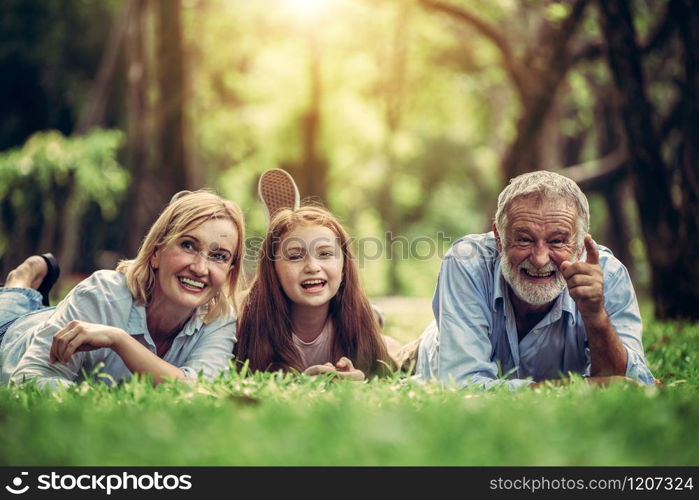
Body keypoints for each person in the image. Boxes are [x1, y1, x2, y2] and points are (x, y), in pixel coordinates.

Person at [415, 170, 656, 389]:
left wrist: (596, 316)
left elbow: (630, 386)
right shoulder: (467, 261)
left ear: (581, 244)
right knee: (394, 358)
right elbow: (463, 386)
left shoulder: (608, 275)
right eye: (524, 239)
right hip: (435, 350)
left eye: (557, 241)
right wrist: (584, 388)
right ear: (499, 239)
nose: (540, 259)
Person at [0, 190, 245, 388]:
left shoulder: (219, 319)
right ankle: (21, 281)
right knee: (10, 310)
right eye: (188, 245)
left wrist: (119, 340)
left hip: (62, 317)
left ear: (229, 273)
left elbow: (202, 391)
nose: (201, 268)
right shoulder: (103, 293)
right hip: (16, 333)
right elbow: (30, 377)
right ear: (156, 254)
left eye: (219, 256)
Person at [234, 205, 395, 380]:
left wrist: (360, 377)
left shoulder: (358, 321)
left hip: (375, 327)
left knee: (393, 347)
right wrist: (303, 380)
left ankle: (377, 314)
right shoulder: (248, 324)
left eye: (325, 254)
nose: (312, 267)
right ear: (273, 271)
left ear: (344, 268)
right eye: (295, 256)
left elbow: (382, 374)